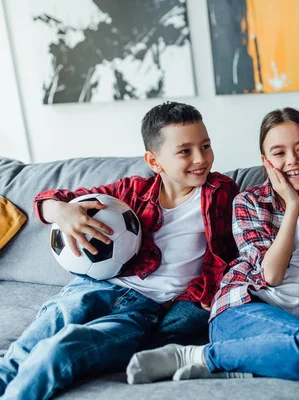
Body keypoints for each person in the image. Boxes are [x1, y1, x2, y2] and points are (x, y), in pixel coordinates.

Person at [126, 108, 299, 383]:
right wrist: (291, 205)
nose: (292, 160)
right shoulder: (248, 201)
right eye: (279, 153)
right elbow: (272, 275)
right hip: (241, 310)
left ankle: (248, 363)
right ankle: (199, 356)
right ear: (266, 162)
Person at [0, 102, 239, 399]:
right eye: (185, 151)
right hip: (90, 288)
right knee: (21, 353)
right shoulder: (132, 191)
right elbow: (51, 199)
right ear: (154, 161)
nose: (200, 159)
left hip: (142, 310)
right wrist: (61, 211)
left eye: (205, 146)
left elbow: (231, 252)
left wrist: (206, 291)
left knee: (60, 350)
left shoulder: (221, 192)